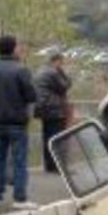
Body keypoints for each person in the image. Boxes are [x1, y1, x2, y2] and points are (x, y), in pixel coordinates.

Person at [0, 35, 38, 210]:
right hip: (17, 122)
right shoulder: (21, 69)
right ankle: (20, 198)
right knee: (19, 160)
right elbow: (31, 95)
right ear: (13, 48)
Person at [33, 45, 73, 173]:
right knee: (58, 137)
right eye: (61, 61)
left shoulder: (40, 70)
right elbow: (64, 86)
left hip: (42, 109)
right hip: (54, 109)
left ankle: (49, 165)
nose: (62, 63)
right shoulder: (53, 72)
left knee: (47, 137)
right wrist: (63, 73)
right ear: (56, 60)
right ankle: (58, 166)